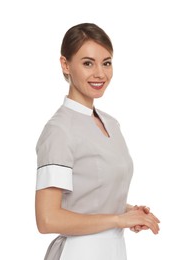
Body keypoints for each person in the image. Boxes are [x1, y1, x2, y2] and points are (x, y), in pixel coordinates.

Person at [35, 22, 160, 260]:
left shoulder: (111, 124)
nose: (100, 74)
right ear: (65, 65)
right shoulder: (59, 131)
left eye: (107, 62)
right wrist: (118, 219)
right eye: (87, 63)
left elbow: (88, 198)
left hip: (112, 251)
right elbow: (47, 219)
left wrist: (130, 212)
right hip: (78, 253)